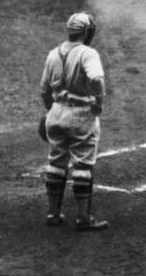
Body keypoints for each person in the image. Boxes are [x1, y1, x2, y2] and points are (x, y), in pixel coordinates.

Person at [40, 12, 108, 231]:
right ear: (87, 32)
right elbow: (96, 79)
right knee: (83, 165)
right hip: (81, 114)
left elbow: (44, 90)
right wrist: (98, 102)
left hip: (56, 112)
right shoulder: (88, 53)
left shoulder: (52, 55)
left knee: (56, 162)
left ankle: (53, 213)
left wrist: (53, 112)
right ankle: (83, 218)